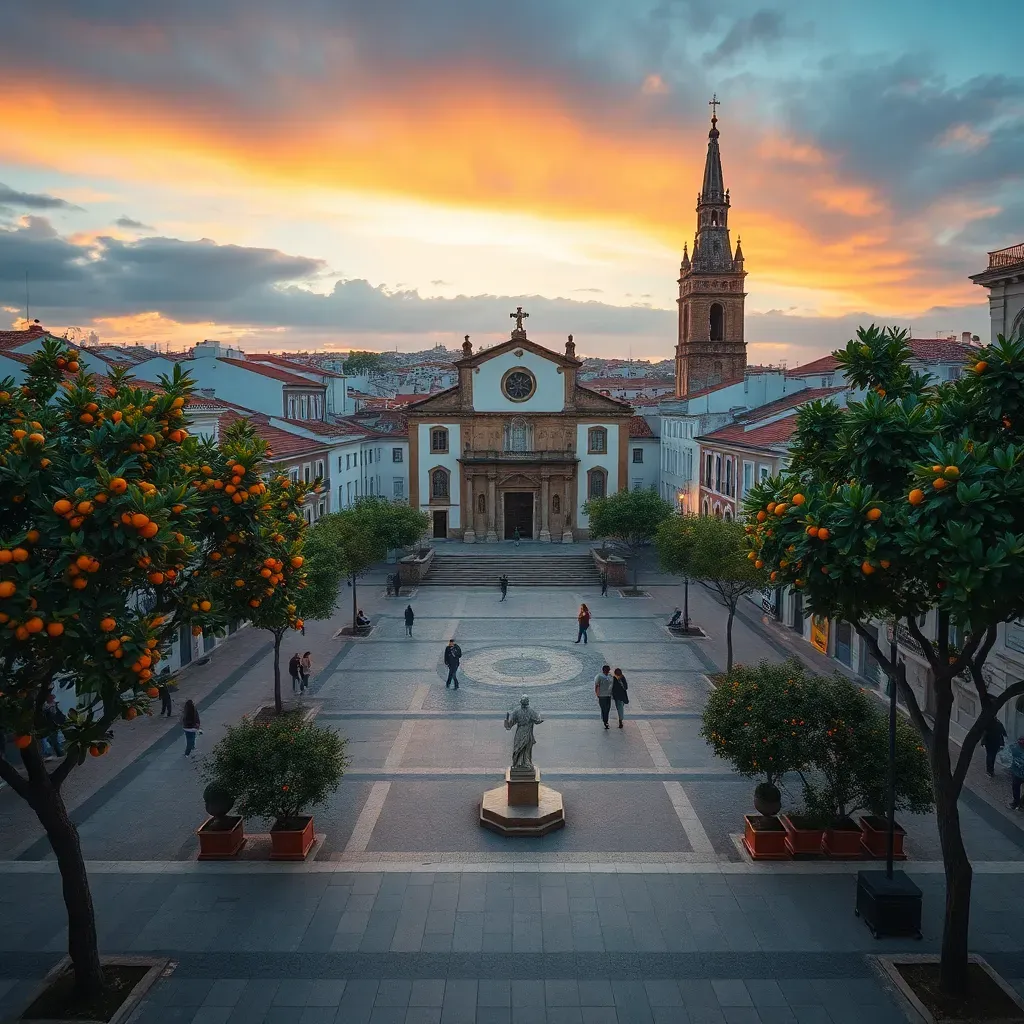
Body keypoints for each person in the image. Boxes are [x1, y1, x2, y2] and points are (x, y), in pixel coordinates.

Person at [41, 693, 66, 759]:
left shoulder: (49, 705)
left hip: (52, 725)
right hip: (53, 724)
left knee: (53, 739)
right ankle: (59, 753)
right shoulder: (51, 704)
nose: (52, 699)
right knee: (53, 739)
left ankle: (59, 753)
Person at [594, 665, 614, 730]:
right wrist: (597, 693)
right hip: (602, 695)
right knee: (604, 708)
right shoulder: (599, 676)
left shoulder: (610, 676)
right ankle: (605, 721)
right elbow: (596, 685)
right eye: (607, 670)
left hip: (608, 695)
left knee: (607, 709)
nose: (608, 671)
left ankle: (605, 720)